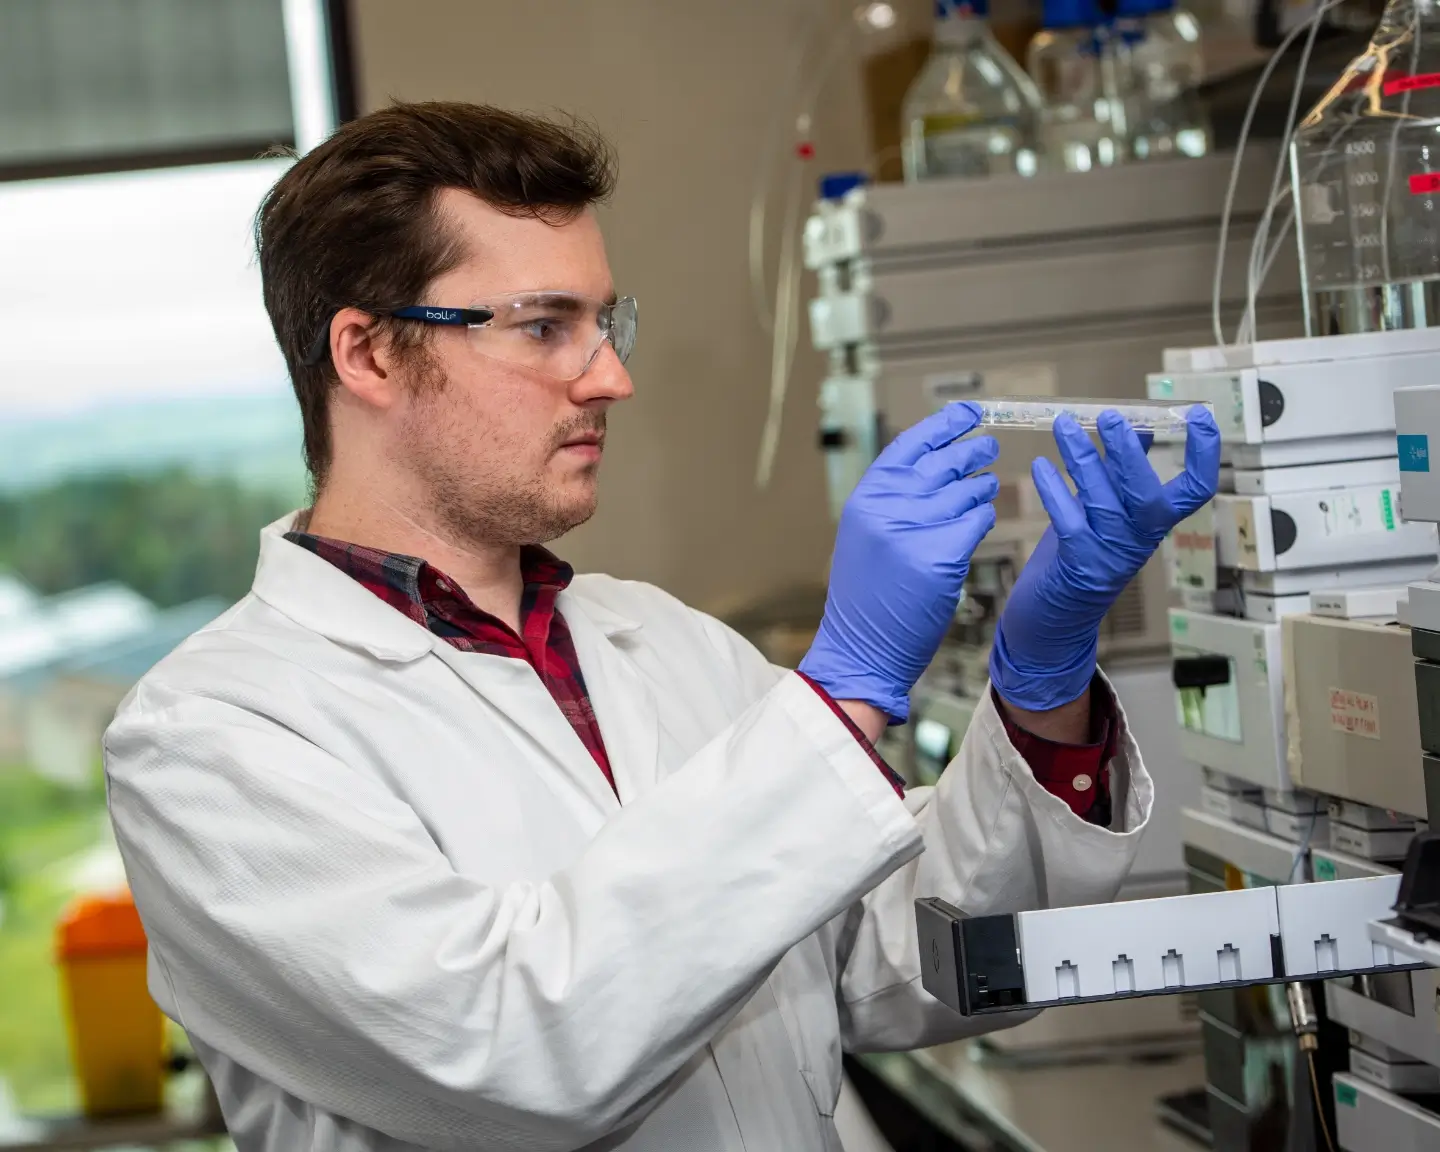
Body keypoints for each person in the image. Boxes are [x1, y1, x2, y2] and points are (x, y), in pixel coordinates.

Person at [103, 102, 1220, 1152]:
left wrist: (1044, 687)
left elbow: (903, 961)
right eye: (546, 327)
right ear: (371, 353)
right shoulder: (214, 738)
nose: (612, 378)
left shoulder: (661, 643)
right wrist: (843, 696)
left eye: (606, 322)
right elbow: (518, 1048)